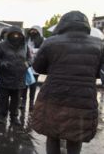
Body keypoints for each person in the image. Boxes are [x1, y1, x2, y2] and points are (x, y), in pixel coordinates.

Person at [31, 11, 104, 154]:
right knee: (75, 137)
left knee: (52, 135)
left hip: (54, 96)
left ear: (63, 24)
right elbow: (98, 72)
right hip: (83, 98)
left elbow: (37, 67)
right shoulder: (99, 44)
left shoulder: (51, 42)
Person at [0, 26, 30, 126]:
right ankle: (2, 115)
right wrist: (2, 63)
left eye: (18, 34)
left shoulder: (24, 46)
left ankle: (14, 117)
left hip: (19, 77)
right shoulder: (1, 46)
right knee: (3, 99)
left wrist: (28, 64)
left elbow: (29, 58)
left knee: (16, 100)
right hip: (5, 76)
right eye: (13, 34)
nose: (16, 36)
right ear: (9, 34)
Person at [20, 25, 44, 111]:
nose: (33, 32)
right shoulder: (26, 39)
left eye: (35, 30)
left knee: (33, 85)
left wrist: (33, 51)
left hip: (35, 66)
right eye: (31, 30)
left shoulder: (41, 40)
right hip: (26, 65)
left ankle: (31, 103)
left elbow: (43, 51)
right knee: (24, 85)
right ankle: (23, 102)